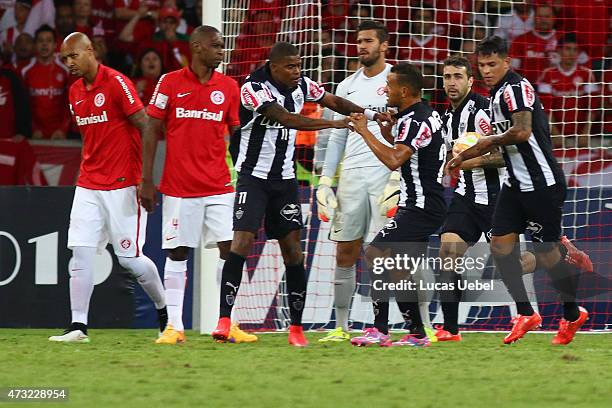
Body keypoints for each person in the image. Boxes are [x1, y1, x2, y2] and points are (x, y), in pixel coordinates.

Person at [212, 41, 385, 347]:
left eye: (299, 65)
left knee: (293, 251)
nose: (297, 71)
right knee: (241, 242)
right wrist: (336, 125)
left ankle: (296, 329)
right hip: (253, 178)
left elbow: (334, 100)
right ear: (273, 66)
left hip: (285, 180)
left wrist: (369, 114)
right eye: (291, 66)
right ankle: (224, 321)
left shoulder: (301, 84)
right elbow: (287, 119)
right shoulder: (253, 88)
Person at [446, 36, 593, 345]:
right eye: (482, 65)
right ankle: (526, 313)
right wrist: (466, 155)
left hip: (542, 185)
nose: (486, 70)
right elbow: (506, 146)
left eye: (492, 64)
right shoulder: (495, 93)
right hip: (513, 185)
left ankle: (570, 314)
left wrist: (482, 144)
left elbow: (522, 132)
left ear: (506, 63)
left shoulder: (515, 89)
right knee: (500, 246)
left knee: (547, 255)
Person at [142, 25, 256, 345]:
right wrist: (146, 179)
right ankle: (174, 327)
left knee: (230, 251)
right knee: (177, 253)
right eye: (216, 47)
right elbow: (151, 129)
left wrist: (244, 175)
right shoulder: (169, 82)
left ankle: (228, 323)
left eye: (222, 46)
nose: (222, 52)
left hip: (219, 184)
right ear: (197, 47)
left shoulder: (230, 87)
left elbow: (236, 135)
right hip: (179, 187)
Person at [49, 32, 166, 343]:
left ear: (90, 51)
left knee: (129, 259)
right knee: (81, 253)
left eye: (73, 56)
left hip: (123, 184)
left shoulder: (117, 83)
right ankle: (78, 326)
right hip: (88, 183)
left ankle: (164, 310)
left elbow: (146, 126)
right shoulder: (74, 92)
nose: (69, 63)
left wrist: (147, 180)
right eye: (64, 59)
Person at [435, 55, 534, 342]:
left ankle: (529, 305)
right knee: (448, 252)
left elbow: (505, 154)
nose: (451, 83)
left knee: (507, 264)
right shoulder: (448, 118)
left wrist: (471, 161)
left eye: (457, 77)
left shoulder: (481, 111)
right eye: (447, 77)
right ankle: (451, 329)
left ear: (470, 80)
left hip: (496, 197)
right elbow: (449, 158)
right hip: (465, 197)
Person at [349, 63, 446, 347]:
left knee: (375, 252)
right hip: (425, 203)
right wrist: (388, 132)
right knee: (401, 269)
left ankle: (380, 330)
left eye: (389, 86)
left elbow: (394, 160)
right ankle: (417, 335)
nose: (384, 90)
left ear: (404, 91)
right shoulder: (421, 115)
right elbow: (409, 148)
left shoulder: (414, 120)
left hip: (421, 206)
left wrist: (366, 131)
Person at [316, 20, 396, 343]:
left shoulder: (397, 80)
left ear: (384, 46)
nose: (361, 46)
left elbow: (409, 132)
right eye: (358, 41)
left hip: (385, 177)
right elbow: (337, 138)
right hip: (351, 178)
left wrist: (398, 177)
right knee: (345, 252)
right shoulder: (347, 86)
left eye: (368, 41)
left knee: (385, 253)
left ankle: (411, 325)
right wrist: (325, 181)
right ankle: (341, 326)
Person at [21, 25, 70, 139]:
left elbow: (69, 105)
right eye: (40, 41)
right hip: (35, 134)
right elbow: (24, 106)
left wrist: (63, 129)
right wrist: (33, 129)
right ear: (35, 45)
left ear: (55, 45)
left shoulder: (65, 71)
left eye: (49, 41)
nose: (44, 44)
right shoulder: (25, 71)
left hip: (59, 134)